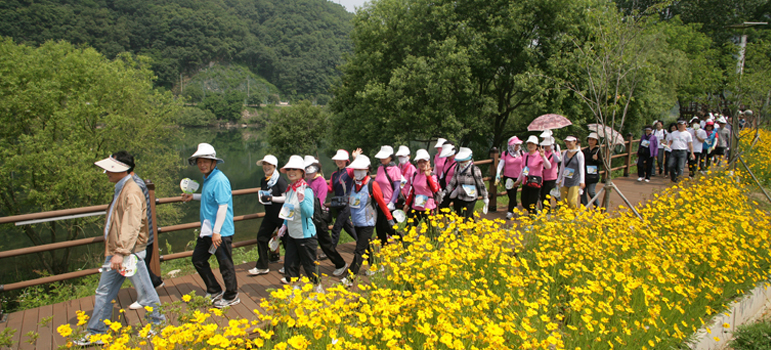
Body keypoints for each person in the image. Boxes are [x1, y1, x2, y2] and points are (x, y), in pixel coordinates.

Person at [76, 153, 165, 346]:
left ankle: (158, 325)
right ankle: (97, 331)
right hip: (119, 252)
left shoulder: (131, 190)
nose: (106, 172)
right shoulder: (123, 187)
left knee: (145, 291)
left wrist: (120, 252)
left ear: (121, 169)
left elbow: (131, 224)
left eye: (110, 169)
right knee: (105, 291)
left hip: (128, 253)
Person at [182, 143, 239, 308]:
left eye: (206, 161)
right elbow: (210, 198)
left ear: (214, 162)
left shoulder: (220, 180)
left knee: (225, 263)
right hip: (207, 230)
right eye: (199, 161)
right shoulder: (208, 178)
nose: (202, 164)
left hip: (220, 231)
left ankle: (232, 295)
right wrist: (193, 197)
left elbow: (223, 206)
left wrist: (216, 232)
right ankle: (214, 289)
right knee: (198, 259)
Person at [112, 151, 164, 311]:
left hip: (139, 237)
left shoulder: (136, 186)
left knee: (138, 269)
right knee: (140, 269)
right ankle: (153, 286)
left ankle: (149, 302)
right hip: (137, 237)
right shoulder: (130, 183)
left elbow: (134, 217)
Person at [341, 155, 395, 287]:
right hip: (357, 221)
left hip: (368, 222)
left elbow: (382, 203)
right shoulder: (354, 184)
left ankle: (350, 277)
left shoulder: (372, 184)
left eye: (361, 170)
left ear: (367, 170)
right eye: (356, 170)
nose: (357, 172)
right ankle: (376, 266)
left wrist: (389, 218)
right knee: (366, 245)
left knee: (359, 250)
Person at [276, 155, 320, 285]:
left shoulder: (306, 190)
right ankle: (294, 288)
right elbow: (288, 209)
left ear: (302, 172)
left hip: (305, 235)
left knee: (309, 265)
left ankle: (317, 289)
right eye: (289, 169)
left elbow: (308, 213)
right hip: (293, 234)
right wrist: (284, 225)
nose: (291, 172)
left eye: (294, 169)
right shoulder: (290, 189)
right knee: (290, 263)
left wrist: (301, 201)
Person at [303, 155, 348, 276]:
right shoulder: (309, 180)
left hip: (318, 217)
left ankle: (340, 263)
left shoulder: (321, 181)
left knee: (325, 243)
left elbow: (320, 200)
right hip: (309, 215)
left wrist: (312, 213)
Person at [249, 155, 287, 276]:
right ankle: (262, 266)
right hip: (269, 215)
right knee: (261, 237)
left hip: (281, 215)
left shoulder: (280, 180)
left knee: (287, 241)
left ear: (274, 166)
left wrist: (272, 198)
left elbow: (286, 198)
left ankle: (290, 265)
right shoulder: (263, 180)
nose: (266, 167)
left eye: (268, 165)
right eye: (264, 164)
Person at [445, 147, 489, 221]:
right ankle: (475, 230)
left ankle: (458, 232)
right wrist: (445, 192)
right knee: (465, 216)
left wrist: (485, 197)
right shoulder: (457, 168)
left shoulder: (474, 170)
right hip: (460, 196)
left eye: (463, 161)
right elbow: (452, 181)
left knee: (465, 218)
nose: (461, 163)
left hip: (470, 198)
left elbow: (481, 184)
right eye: (460, 161)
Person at [328, 149, 358, 245]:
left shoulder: (350, 171)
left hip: (348, 203)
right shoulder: (334, 174)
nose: (339, 161)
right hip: (338, 203)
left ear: (346, 161)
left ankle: (331, 250)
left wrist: (355, 158)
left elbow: (358, 169)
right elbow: (330, 189)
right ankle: (362, 243)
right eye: (337, 159)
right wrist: (319, 183)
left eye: (342, 159)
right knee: (347, 226)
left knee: (336, 227)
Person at [515, 136, 552, 215]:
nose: (530, 145)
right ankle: (535, 214)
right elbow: (524, 168)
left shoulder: (539, 155)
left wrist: (543, 156)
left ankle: (532, 220)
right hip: (526, 182)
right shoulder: (526, 155)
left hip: (535, 183)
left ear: (536, 145)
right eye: (529, 143)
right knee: (524, 203)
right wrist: (518, 180)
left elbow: (548, 166)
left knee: (532, 203)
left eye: (532, 144)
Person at [373, 145, 403, 245]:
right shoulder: (380, 168)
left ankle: (400, 239)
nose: (382, 159)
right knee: (379, 227)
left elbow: (397, 188)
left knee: (387, 226)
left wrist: (392, 202)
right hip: (379, 202)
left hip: (389, 204)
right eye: (381, 157)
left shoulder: (395, 170)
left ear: (391, 157)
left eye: (384, 157)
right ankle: (384, 248)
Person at [403, 149, 440, 226]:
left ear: (429, 161)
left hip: (428, 208)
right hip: (416, 206)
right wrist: (407, 204)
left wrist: (428, 176)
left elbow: (435, 189)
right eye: (420, 161)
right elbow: (413, 190)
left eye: (425, 161)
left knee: (431, 233)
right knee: (409, 229)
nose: (422, 164)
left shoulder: (432, 175)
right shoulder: (415, 174)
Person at [495, 136, 524, 219]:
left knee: (513, 193)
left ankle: (510, 212)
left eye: (518, 145)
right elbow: (501, 164)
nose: (517, 147)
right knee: (510, 194)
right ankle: (514, 204)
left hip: (518, 177)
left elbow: (525, 164)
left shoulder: (522, 153)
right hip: (507, 177)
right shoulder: (506, 153)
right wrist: (498, 173)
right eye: (516, 145)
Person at [557, 136, 585, 209]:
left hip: (575, 180)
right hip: (566, 179)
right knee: (563, 201)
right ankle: (564, 217)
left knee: (572, 200)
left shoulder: (579, 154)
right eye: (566, 142)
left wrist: (582, 181)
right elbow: (562, 167)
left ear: (575, 142)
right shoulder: (565, 153)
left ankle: (574, 216)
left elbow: (581, 168)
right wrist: (558, 179)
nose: (568, 143)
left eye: (570, 142)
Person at [540, 137, 561, 211]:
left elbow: (557, 160)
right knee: (545, 195)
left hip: (552, 177)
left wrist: (553, 151)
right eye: (545, 145)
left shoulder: (555, 153)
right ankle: (547, 210)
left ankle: (559, 206)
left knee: (553, 193)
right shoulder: (543, 153)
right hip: (543, 177)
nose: (546, 147)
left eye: (548, 145)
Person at [581, 133, 602, 208]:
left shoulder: (598, 151)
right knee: (582, 191)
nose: (591, 141)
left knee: (591, 191)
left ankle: (596, 205)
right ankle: (584, 207)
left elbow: (602, 162)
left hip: (593, 175)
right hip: (584, 174)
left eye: (593, 139)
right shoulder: (585, 151)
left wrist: (596, 159)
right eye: (590, 139)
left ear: (596, 141)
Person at [436, 142, 457, 210]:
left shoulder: (458, 162)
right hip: (447, 188)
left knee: (457, 209)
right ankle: (450, 219)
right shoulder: (446, 161)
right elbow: (443, 174)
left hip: (455, 188)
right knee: (442, 206)